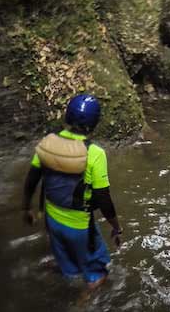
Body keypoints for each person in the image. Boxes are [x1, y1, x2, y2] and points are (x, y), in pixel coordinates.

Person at [22, 93, 123, 290]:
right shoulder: (95, 153)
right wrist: (116, 226)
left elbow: (31, 180)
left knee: (69, 268)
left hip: (52, 220)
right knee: (99, 272)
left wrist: (26, 209)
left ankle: (61, 279)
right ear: (94, 123)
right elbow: (104, 199)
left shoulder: (48, 143)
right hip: (79, 225)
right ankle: (82, 305)